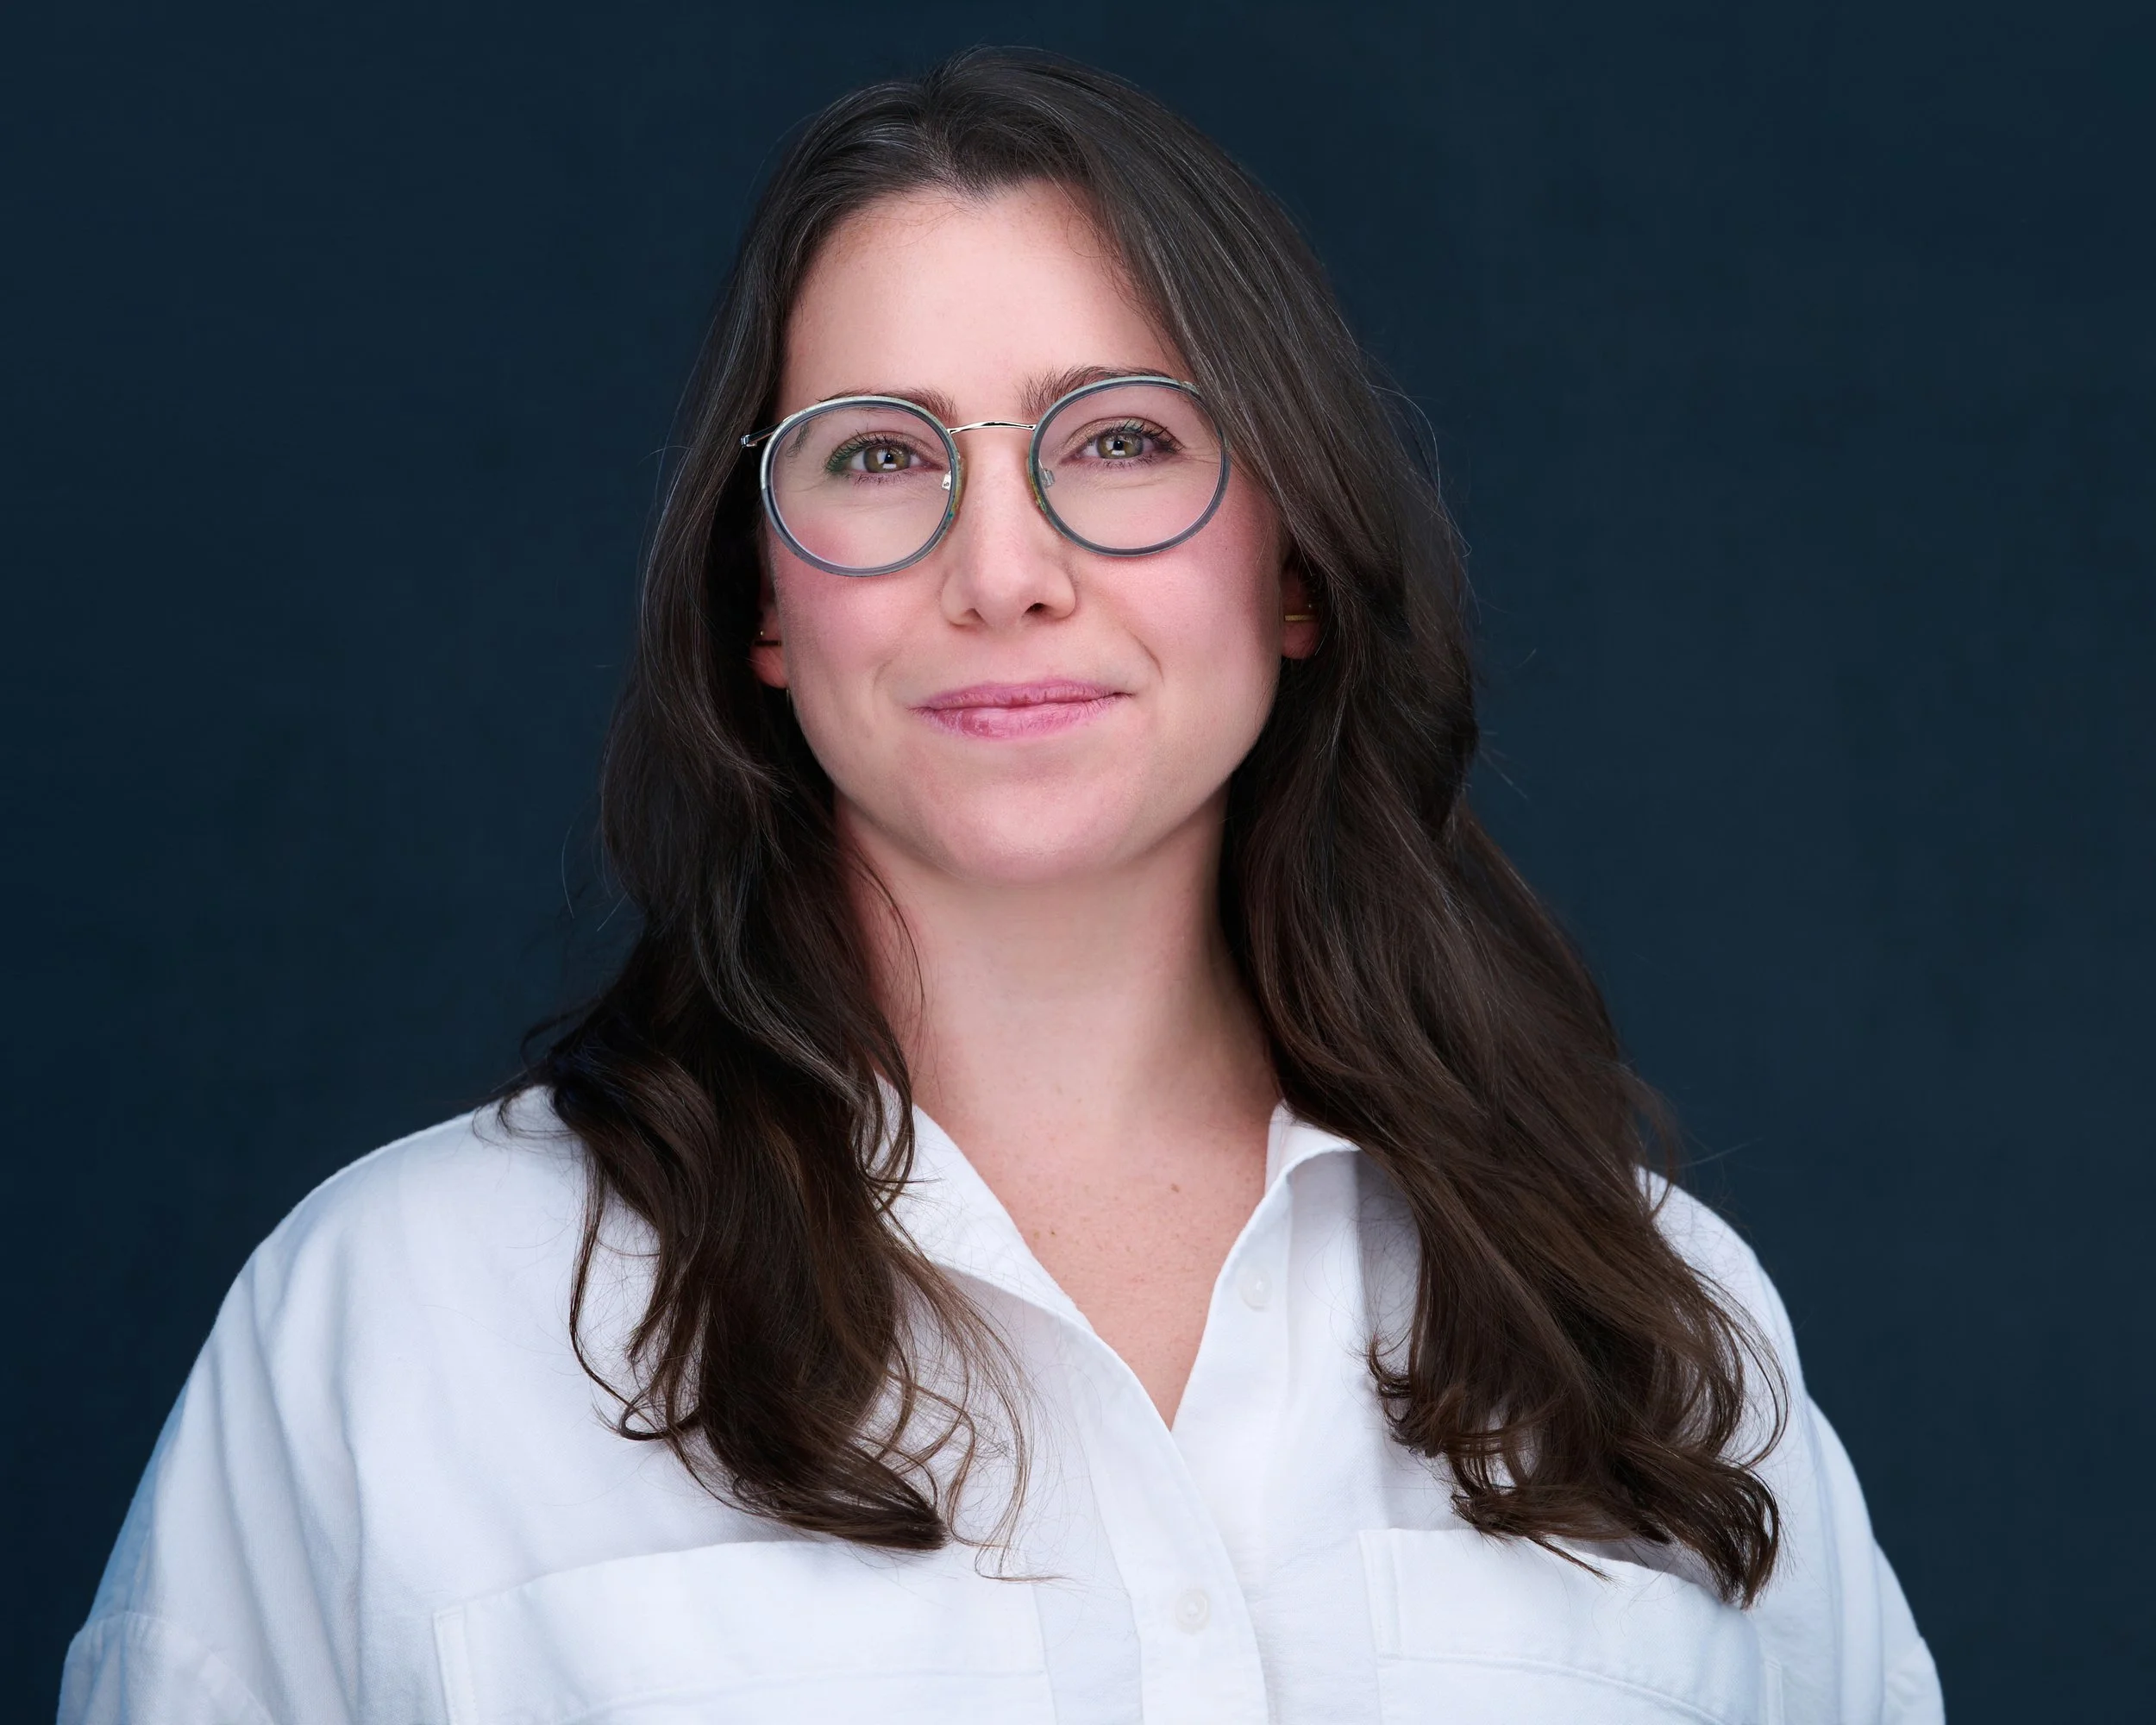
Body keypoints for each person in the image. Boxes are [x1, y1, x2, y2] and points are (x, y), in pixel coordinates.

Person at [61, 49, 1943, 1725]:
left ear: (1291, 570)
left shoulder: (1647, 1317)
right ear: (765, 612)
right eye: (878, 457)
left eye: (1119, 439)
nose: (1003, 569)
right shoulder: (397, 1326)